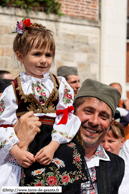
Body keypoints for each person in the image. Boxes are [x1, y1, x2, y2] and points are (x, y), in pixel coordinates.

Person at [0, 18, 90, 193]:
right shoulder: (14, 89)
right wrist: (16, 152)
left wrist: (53, 145)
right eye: (37, 54)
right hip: (27, 146)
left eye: (48, 55)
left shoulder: (60, 84)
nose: (43, 60)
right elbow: (3, 125)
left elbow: (66, 117)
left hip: (56, 143)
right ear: (20, 56)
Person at [73, 78, 124, 193]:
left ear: (110, 123)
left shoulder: (116, 164)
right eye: (88, 111)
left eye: (103, 116)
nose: (94, 121)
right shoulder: (50, 153)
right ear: (73, 112)